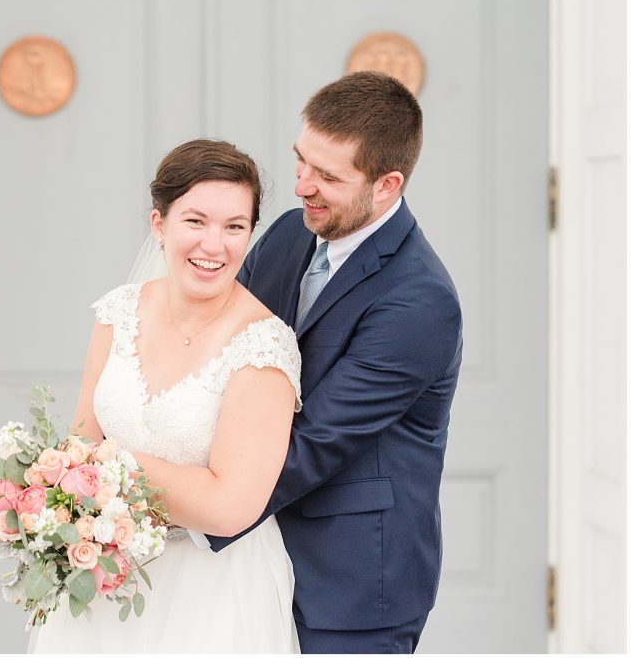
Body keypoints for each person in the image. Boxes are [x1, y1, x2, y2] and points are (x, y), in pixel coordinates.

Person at [206, 71, 464, 653]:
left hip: (351, 589)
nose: (302, 187)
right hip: (254, 566)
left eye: (328, 176)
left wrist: (176, 514)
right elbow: (215, 359)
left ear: (387, 184)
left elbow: (314, 442)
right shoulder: (287, 237)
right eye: (301, 162)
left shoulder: (419, 301)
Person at [28, 139, 303, 653]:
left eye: (234, 227)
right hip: (104, 574)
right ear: (160, 224)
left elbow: (229, 508)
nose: (214, 245)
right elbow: (79, 442)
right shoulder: (118, 312)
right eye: (195, 221)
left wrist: (109, 469)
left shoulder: (263, 346)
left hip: (212, 590)